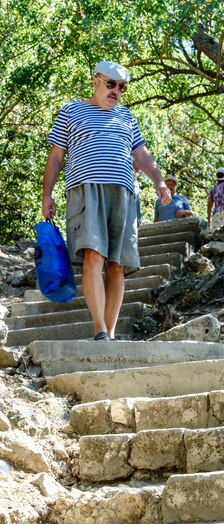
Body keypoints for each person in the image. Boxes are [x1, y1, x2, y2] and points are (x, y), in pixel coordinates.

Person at [42, 60, 171, 341]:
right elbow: (56, 156)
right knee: (94, 255)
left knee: (117, 263)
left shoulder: (126, 117)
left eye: (121, 87)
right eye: (110, 84)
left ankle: (109, 333)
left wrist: (159, 181)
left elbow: (142, 155)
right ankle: (99, 327)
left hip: (124, 193)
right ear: (96, 81)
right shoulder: (71, 111)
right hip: (85, 189)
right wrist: (47, 194)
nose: (116, 91)